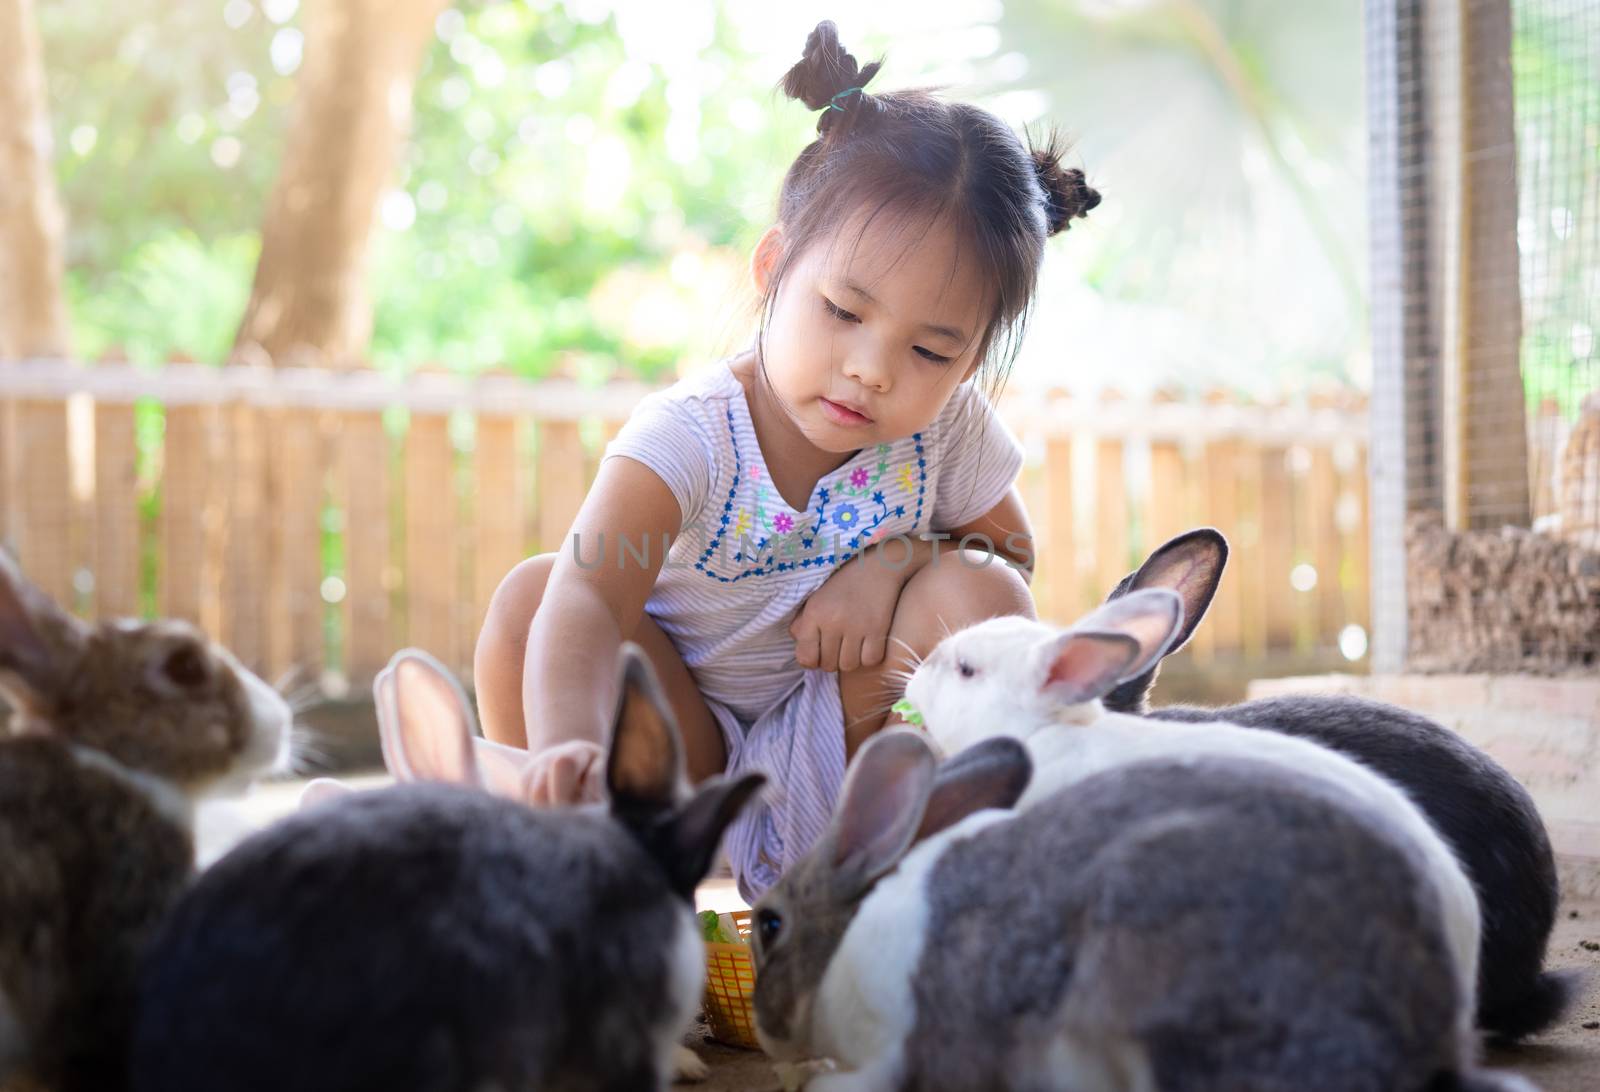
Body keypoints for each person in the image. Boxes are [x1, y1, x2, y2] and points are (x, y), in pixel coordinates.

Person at [473, 20, 1100, 900]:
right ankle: (579, 861)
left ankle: (886, 879)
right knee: (535, 597)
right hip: (679, 750)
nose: (872, 369)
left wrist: (895, 562)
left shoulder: (946, 433)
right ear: (774, 266)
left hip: (843, 748)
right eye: (844, 311)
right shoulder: (688, 438)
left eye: (931, 353)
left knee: (984, 598)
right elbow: (587, 598)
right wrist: (575, 753)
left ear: (972, 362)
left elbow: (1014, 560)